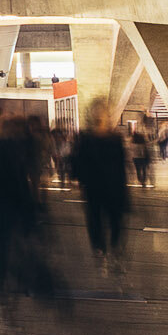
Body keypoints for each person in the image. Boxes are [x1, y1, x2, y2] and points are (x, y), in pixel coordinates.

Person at [69, 97, 131, 274]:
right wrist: (78, 179)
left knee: (116, 221)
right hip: (93, 187)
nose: (100, 113)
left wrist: (125, 189)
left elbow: (121, 165)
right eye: (98, 110)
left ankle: (115, 251)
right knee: (95, 220)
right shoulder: (85, 138)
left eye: (103, 110)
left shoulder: (115, 139)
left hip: (114, 187)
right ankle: (100, 250)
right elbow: (77, 161)